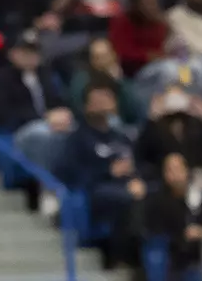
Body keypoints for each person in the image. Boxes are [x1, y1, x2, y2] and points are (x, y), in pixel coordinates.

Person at [59, 81, 146, 267]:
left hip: (127, 187)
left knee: (153, 195)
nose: (102, 104)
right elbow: (71, 173)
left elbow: (136, 165)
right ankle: (126, 258)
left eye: (107, 99)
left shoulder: (121, 137)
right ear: (85, 105)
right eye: (97, 100)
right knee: (126, 199)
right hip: (96, 191)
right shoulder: (78, 138)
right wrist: (108, 171)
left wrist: (137, 179)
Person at [0, 36, 73, 184]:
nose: (30, 57)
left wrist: (64, 113)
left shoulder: (46, 75)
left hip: (52, 124)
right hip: (19, 130)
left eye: (33, 53)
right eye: (24, 52)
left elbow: (58, 101)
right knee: (43, 135)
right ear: (12, 54)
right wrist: (45, 118)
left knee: (77, 132)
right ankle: (47, 185)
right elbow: (2, 113)